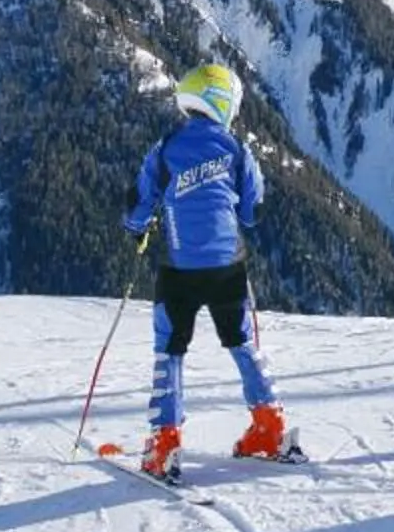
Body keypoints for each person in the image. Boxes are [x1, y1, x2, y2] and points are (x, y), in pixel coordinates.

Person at [124, 62, 291, 476]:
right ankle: (269, 427)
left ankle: (164, 443)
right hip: (227, 266)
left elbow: (139, 206)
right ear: (223, 102)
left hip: (178, 268)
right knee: (243, 342)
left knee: (169, 351)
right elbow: (253, 210)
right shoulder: (236, 148)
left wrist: (139, 228)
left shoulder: (165, 147)